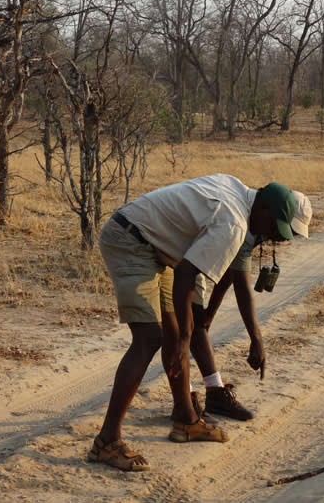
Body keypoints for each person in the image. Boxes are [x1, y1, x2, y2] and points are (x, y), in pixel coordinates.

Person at [88, 174, 304, 472]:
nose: (270, 236)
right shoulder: (234, 223)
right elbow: (187, 277)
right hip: (130, 239)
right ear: (264, 210)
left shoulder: (236, 189)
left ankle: (186, 420)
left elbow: (193, 277)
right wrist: (186, 340)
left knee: (173, 334)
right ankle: (106, 441)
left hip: (155, 247)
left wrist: (185, 336)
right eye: (272, 228)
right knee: (150, 338)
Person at [184, 190, 312, 422]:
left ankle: (213, 393)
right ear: (274, 215)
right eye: (288, 229)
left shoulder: (260, 225)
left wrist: (210, 313)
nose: (285, 238)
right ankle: (185, 399)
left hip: (192, 256)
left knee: (195, 324)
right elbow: (242, 285)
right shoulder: (246, 221)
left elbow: (231, 270)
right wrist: (256, 339)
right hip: (179, 253)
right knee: (180, 327)